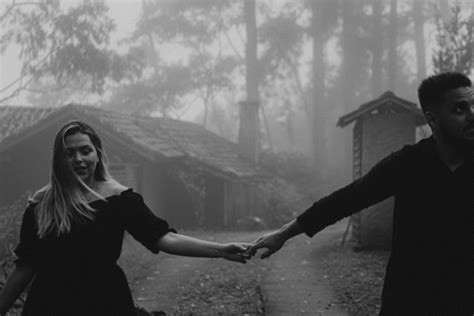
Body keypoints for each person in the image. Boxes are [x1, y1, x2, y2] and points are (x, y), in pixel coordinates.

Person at [249, 72, 474, 315]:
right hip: (409, 296)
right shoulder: (409, 163)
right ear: (433, 120)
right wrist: (283, 234)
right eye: (460, 110)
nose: (472, 116)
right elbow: (348, 199)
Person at [0, 121, 251, 316]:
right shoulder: (41, 204)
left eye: (85, 151)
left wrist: (219, 249)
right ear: (59, 159)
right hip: (50, 305)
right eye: (69, 153)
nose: (78, 159)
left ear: (97, 154)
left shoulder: (120, 199)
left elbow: (164, 239)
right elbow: (26, 266)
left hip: (105, 301)